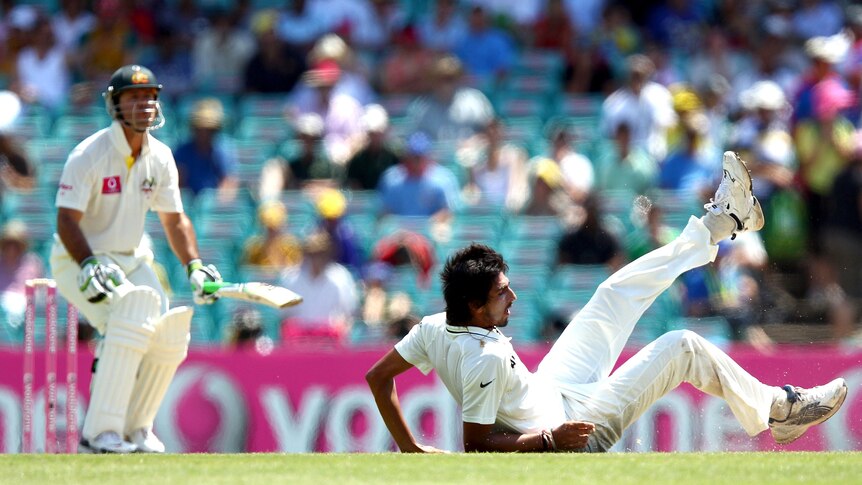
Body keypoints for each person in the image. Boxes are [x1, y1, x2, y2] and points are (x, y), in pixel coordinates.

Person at [366, 151, 848, 453]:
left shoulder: (432, 326)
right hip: (571, 431)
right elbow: (477, 447)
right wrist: (550, 440)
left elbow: (377, 376)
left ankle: (722, 223)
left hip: (553, 388)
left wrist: (410, 449)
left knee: (610, 292)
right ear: (473, 305)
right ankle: (781, 411)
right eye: (501, 294)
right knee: (681, 345)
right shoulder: (484, 358)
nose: (514, 296)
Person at [51, 65, 224, 454]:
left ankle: (137, 428)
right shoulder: (89, 155)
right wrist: (88, 265)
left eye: (150, 97)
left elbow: (175, 219)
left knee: (169, 330)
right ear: (115, 104)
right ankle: (99, 435)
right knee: (131, 315)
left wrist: (193, 265)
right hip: (79, 259)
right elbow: (65, 220)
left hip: (130, 257)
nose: (145, 105)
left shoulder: (160, 157)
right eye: (134, 97)